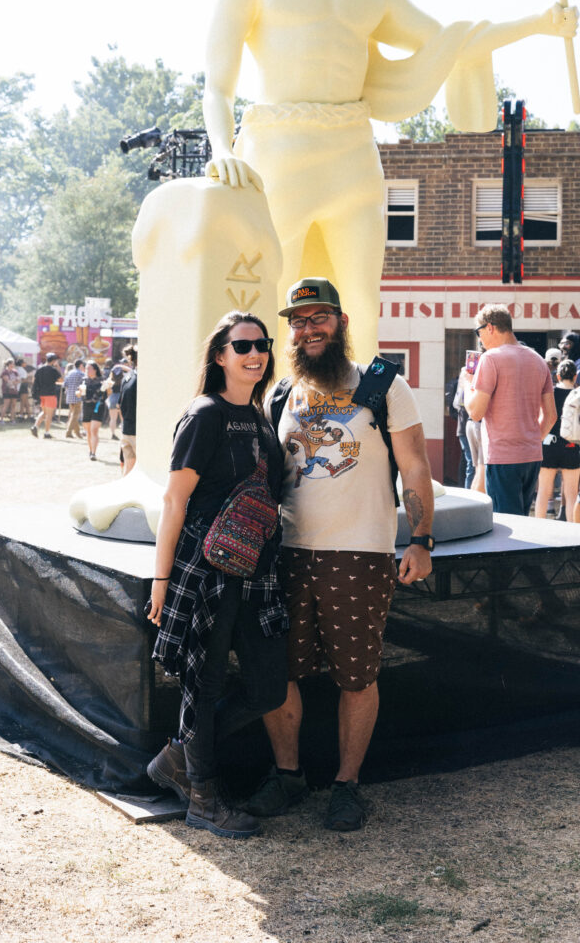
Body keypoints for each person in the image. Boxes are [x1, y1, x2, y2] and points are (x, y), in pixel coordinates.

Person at [203, 0, 578, 357]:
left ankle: (365, 409)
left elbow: (451, 40)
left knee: (360, 297)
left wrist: (539, 23)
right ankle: (272, 408)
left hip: (352, 154)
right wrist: (222, 147)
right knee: (275, 290)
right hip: (279, 150)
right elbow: (217, 86)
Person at [242, 278, 434, 832]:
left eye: (319, 317)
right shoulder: (281, 393)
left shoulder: (382, 385)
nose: (309, 329)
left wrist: (420, 539)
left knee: (356, 675)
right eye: (299, 322)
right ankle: (288, 775)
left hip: (359, 553)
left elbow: (416, 467)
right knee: (281, 673)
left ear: (342, 322)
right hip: (287, 556)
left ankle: (347, 785)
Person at [146, 311, 288, 839]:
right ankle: (203, 797)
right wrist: (161, 584)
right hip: (206, 571)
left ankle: (180, 757)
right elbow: (174, 500)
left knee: (269, 686)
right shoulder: (204, 415)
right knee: (201, 687)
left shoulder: (260, 416)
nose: (255, 354)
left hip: (258, 571)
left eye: (262, 345)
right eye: (243, 345)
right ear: (220, 355)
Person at [462, 305, 556, 516]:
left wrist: (467, 384)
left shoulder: (491, 358)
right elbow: (551, 416)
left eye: (479, 332)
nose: (480, 339)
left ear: (490, 328)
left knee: (506, 526)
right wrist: (532, 440)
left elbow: (475, 412)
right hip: (531, 455)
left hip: (503, 456)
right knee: (522, 519)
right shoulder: (538, 360)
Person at [534, 359, 580, 521]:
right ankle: (573, 530)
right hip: (572, 444)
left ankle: (537, 526)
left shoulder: (551, 393)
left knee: (543, 491)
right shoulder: (579, 394)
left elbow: (541, 415)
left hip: (549, 443)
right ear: (575, 376)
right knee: (571, 493)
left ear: (558, 376)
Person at [31, 353, 62, 439]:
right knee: (49, 415)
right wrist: (58, 367)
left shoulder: (39, 369)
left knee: (44, 413)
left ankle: (35, 426)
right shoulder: (53, 370)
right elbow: (61, 379)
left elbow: (34, 380)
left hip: (41, 394)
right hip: (51, 394)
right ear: (54, 361)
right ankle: (47, 433)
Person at [78, 361, 104, 461]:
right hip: (86, 406)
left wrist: (108, 388)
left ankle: (93, 453)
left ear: (95, 370)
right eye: (86, 368)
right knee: (88, 431)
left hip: (98, 406)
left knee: (94, 430)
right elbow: (79, 393)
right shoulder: (84, 380)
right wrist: (79, 393)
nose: (87, 370)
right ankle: (91, 450)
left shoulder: (102, 380)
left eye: (89, 368)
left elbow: (108, 394)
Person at [118, 346, 138, 475]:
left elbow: (120, 405)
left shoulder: (127, 378)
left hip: (127, 429)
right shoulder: (142, 380)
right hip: (138, 431)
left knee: (128, 470)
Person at [63, 359, 86, 439]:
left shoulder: (69, 373)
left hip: (69, 396)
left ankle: (77, 433)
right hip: (78, 396)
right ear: (80, 365)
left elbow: (64, 384)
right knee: (75, 416)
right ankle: (68, 432)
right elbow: (84, 385)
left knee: (73, 415)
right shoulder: (81, 374)